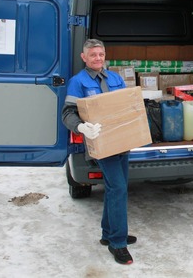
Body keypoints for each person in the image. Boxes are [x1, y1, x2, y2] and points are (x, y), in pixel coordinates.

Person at [61, 39, 137, 265]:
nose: (98, 58)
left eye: (101, 54)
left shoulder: (115, 78)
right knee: (118, 188)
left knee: (117, 187)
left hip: (121, 141)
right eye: (93, 55)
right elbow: (68, 114)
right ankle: (118, 243)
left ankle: (108, 233)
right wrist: (81, 127)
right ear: (84, 57)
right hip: (101, 144)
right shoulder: (78, 82)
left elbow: (123, 106)